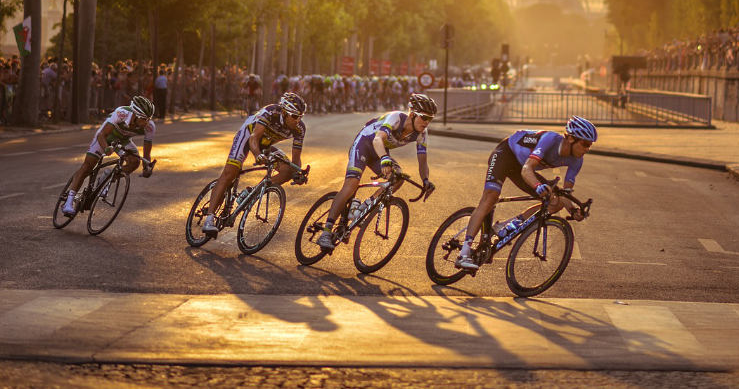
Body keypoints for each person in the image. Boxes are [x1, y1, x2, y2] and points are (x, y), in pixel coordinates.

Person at [455, 116, 596, 270]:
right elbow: (527, 169)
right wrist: (537, 186)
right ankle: (464, 253)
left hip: (522, 167)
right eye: (585, 144)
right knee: (490, 197)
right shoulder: (550, 140)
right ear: (570, 139)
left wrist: (574, 210)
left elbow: (565, 193)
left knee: (556, 203)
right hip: (506, 155)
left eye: (590, 145)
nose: (587, 149)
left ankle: (506, 225)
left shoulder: (577, 160)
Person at [315, 93, 438, 249]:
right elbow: (377, 139)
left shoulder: (422, 134)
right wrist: (384, 158)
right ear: (413, 114)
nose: (427, 122)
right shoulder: (396, 118)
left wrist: (426, 180)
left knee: (398, 177)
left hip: (379, 152)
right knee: (351, 184)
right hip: (364, 144)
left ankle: (363, 207)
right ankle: (326, 232)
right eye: (425, 117)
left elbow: (423, 161)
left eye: (431, 119)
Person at [201, 92, 308, 236]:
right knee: (230, 173)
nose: (297, 120)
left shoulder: (299, 128)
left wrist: (297, 172)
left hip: (266, 144)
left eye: (300, 116)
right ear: (284, 112)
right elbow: (254, 138)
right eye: (295, 116)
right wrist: (258, 155)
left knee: (287, 170)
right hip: (248, 137)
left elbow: (296, 159)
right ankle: (209, 219)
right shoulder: (270, 112)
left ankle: (252, 192)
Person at [61, 96, 157, 216]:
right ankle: (69, 202)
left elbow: (146, 153)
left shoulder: (149, 127)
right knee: (88, 166)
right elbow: (102, 134)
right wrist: (106, 148)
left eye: (149, 119)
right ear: (135, 115)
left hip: (123, 140)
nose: (147, 122)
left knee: (134, 162)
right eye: (144, 119)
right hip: (106, 136)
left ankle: (107, 178)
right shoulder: (121, 113)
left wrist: (146, 167)